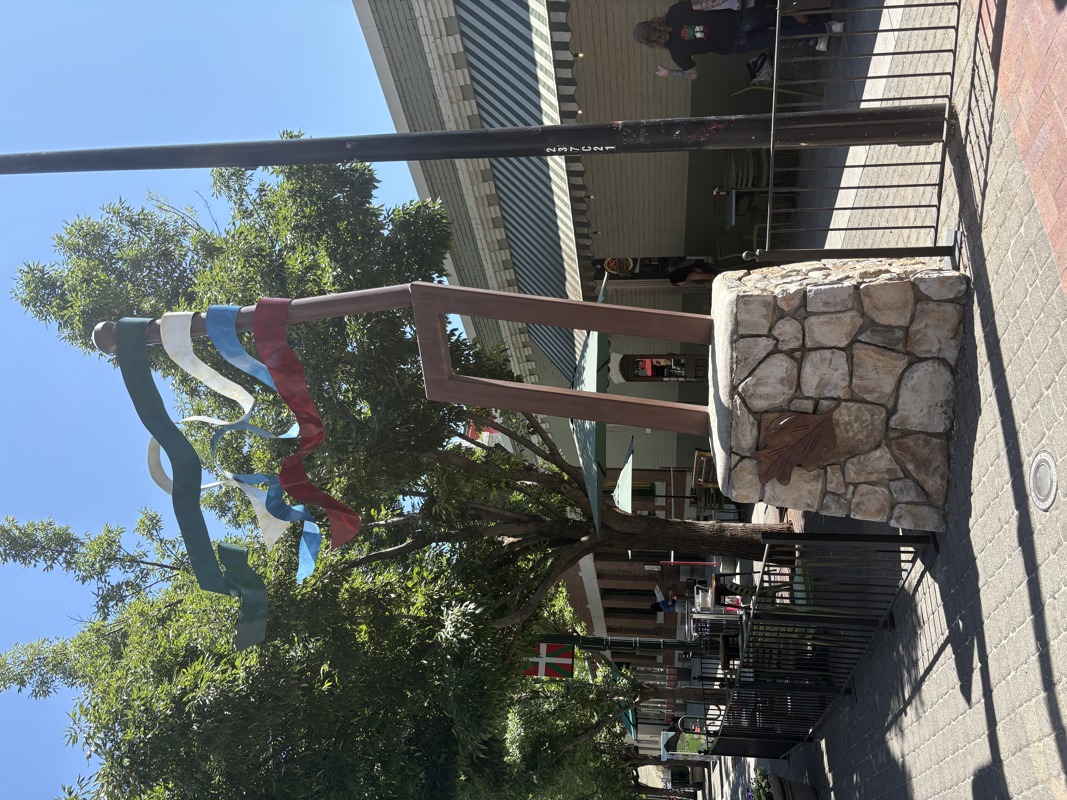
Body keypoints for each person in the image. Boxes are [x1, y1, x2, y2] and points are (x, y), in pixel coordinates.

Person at [634, 2, 844, 80]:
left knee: (779, 37)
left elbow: (692, 74)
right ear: (652, 21)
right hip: (736, 21)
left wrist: (668, 73)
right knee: (777, 15)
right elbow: (706, 4)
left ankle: (824, 32)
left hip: (734, 46)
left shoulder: (676, 54)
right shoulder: (675, 11)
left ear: (650, 44)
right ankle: (818, 33)